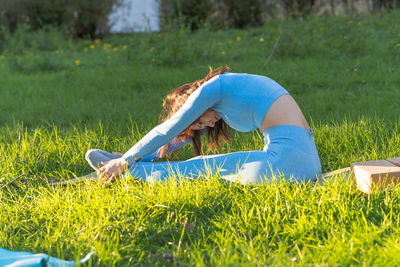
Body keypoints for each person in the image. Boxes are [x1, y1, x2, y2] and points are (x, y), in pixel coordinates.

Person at [85, 66, 321, 184]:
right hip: (307, 161)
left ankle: (129, 174)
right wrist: (132, 154)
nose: (206, 125)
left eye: (199, 122)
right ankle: (131, 165)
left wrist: (125, 162)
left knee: (197, 167)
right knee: (198, 164)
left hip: (285, 164)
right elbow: (178, 138)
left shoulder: (213, 89)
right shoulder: (227, 93)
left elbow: (169, 129)